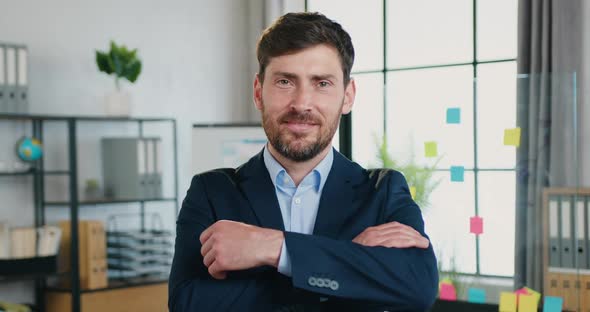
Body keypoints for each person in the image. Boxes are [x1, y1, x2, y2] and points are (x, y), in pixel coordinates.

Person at [169, 12, 438, 312]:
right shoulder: (212, 192)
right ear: (259, 92)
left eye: (322, 83)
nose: (301, 104)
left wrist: (274, 247)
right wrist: (344, 264)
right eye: (285, 81)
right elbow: (187, 303)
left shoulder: (383, 192)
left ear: (347, 96)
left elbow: (418, 286)